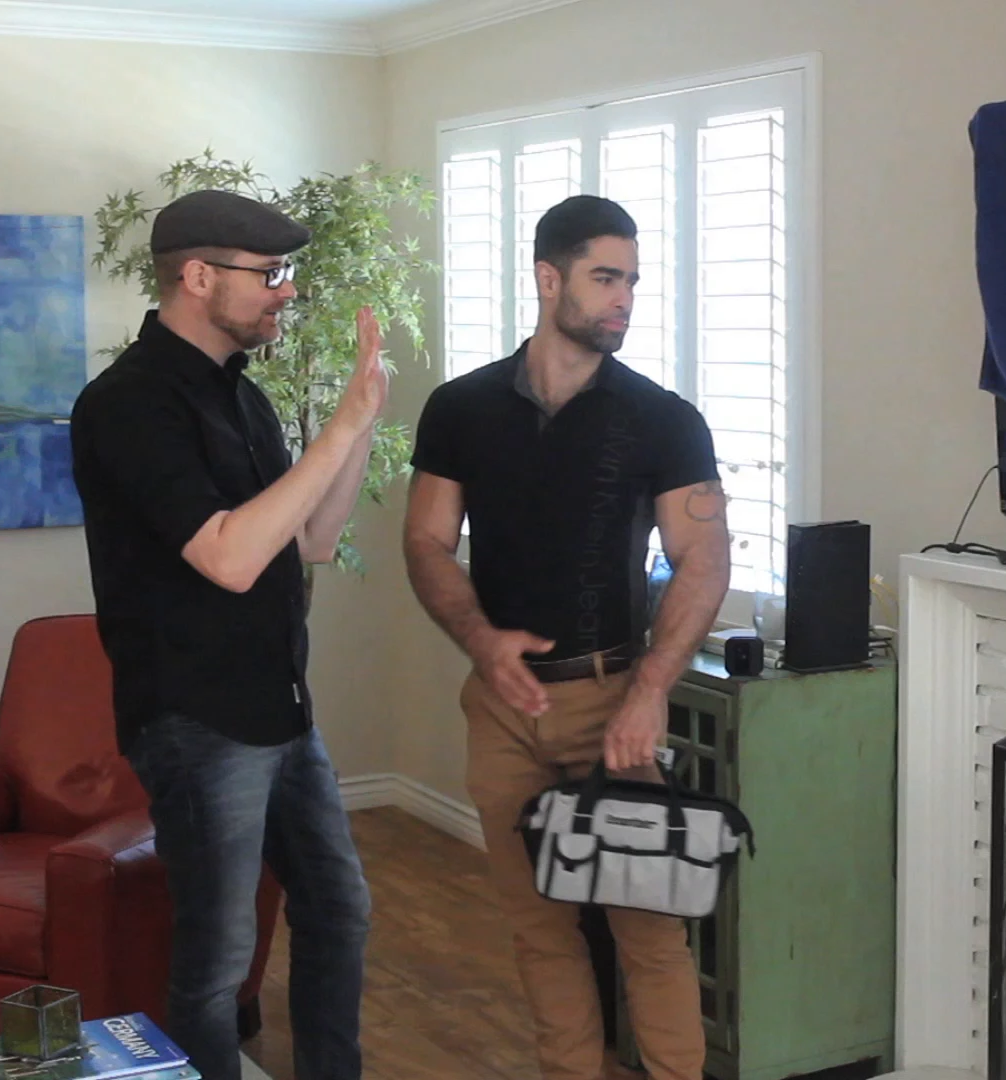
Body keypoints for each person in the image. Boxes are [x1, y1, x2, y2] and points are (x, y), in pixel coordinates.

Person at [402, 194, 732, 1080]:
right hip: (503, 707)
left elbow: (702, 559)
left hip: (612, 705)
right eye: (606, 278)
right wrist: (481, 642)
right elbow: (426, 542)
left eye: (633, 282)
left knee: (648, 936)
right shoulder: (461, 408)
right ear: (549, 279)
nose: (624, 299)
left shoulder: (663, 419)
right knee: (539, 932)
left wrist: (651, 692)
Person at [69, 189, 387, 1080]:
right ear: (199, 277)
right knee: (217, 960)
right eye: (270, 274)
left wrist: (360, 422)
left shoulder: (244, 400)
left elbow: (313, 537)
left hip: (281, 709)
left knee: (339, 909)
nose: (287, 291)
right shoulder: (126, 404)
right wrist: (339, 429)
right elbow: (229, 558)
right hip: (195, 719)